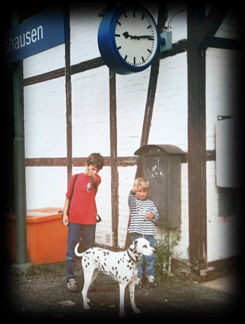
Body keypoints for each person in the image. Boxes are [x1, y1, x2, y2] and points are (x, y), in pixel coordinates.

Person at [62, 153, 104, 292]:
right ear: (86, 165)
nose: (94, 171)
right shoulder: (75, 178)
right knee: (71, 250)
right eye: (92, 168)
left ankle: (87, 279)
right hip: (74, 220)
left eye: (96, 170)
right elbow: (68, 197)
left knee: (89, 252)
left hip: (90, 221)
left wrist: (91, 175)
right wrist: (64, 214)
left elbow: (95, 181)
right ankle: (70, 278)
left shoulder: (96, 179)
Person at [128, 177, 159, 288]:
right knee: (138, 258)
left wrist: (153, 216)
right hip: (136, 235)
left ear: (147, 192)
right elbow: (130, 198)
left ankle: (150, 276)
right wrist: (133, 191)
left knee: (150, 258)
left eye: (144, 191)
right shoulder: (134, 203)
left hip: (149, 235)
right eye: (139, 191)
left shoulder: (151, 204)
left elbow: (156, 216)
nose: (141, 194)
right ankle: (138, 278)